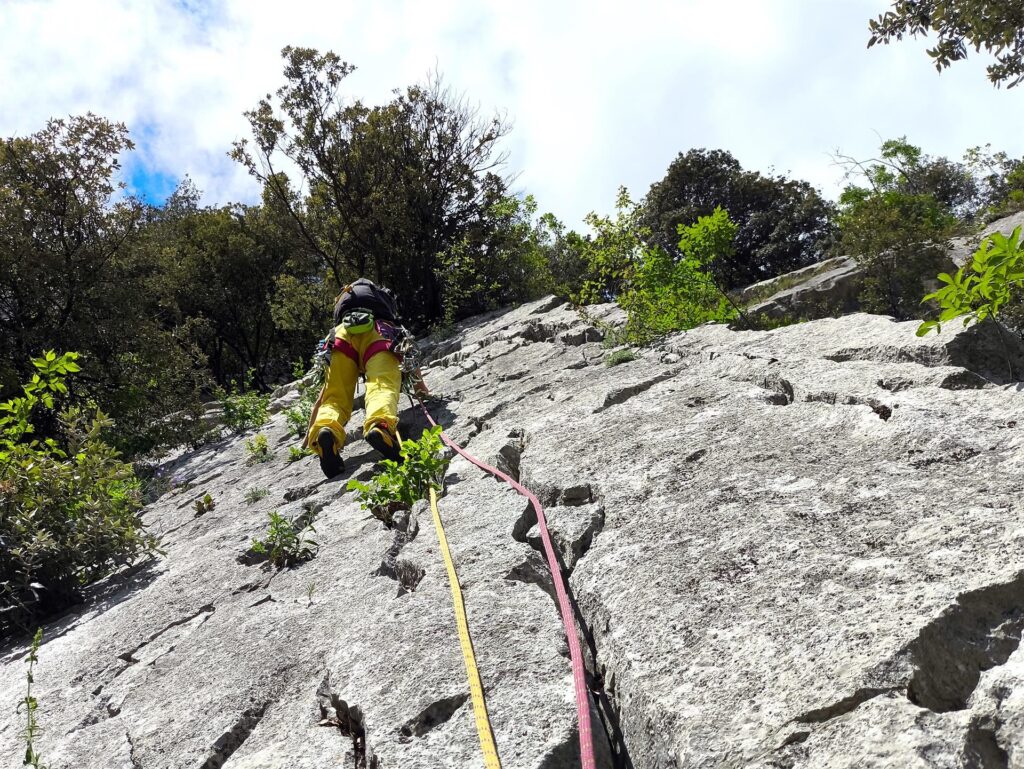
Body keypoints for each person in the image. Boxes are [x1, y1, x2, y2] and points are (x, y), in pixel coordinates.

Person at [304, 278, 418, 478]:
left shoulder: (344, 311)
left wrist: (308, 436)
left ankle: (326, 429)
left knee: (335, 398)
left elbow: (324, 396)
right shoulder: (386, 315)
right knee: (381, 385)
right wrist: (424, 393)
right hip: (379, 332)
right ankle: (379, 426)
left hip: (340, 337)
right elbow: (411, 362)